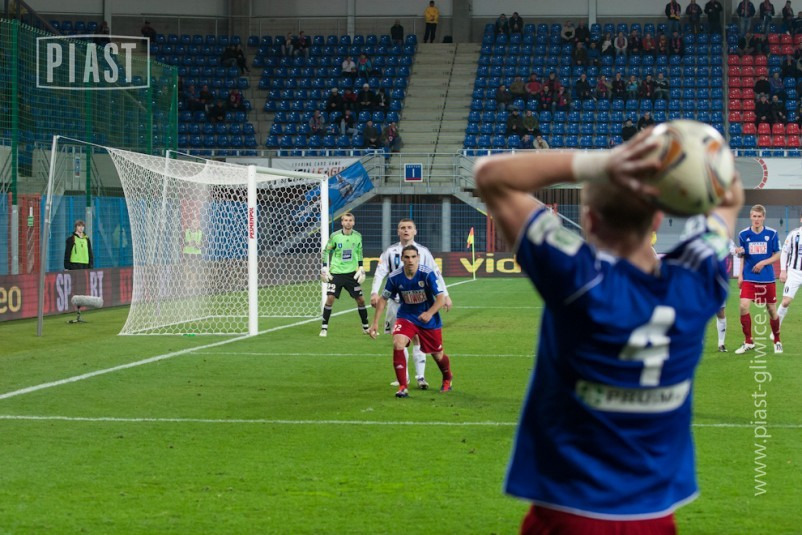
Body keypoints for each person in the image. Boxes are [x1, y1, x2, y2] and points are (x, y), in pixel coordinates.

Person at [473, 130, 744, 534]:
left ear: (589, 219)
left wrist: (602, 162)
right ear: (657, 219)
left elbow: (490, 175)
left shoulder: (578, 280)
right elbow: (729, 198)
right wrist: (693, 173)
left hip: (568, 512)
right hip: (654, 517)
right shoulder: (698, 281)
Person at [370, 219, 452, 389]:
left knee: (426, 345)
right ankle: (403, 380)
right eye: (402, 228)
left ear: (415, 231)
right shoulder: (390, 252)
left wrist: (445, 295)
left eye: (409, 228)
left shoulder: (423, 252)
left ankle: (421, 377)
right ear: (398, 231)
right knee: (398, 341)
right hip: (398, 304)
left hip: (423, 307)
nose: (406, 230)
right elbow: (380, 273)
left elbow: (436, 273)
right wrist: (374, 292)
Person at [734, 204, 782, 354]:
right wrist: (740, 275)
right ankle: (748, 341)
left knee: (771, 310)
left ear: (764, 217)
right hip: (749, 277)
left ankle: (777, 340)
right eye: (754, 216)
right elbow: (742, 255)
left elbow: (778, 254)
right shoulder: (743, 234)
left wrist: (763, 262)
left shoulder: (772, 234)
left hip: (767, 278)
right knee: (743, 306)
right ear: (750, 217)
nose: (756, 219)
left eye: (759, 216)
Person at [320, 212, 369, 337]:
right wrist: (325, 266)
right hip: (336, 273)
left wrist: (361, 267)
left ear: (354, 222)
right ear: (342, 222)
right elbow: (326, 251)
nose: (348, 222)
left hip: (351, 274)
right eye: (345, 220)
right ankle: (324, 328)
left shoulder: (358, 236)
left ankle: (366, 327)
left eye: (350, 220)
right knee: (330, 298)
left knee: (361, 300)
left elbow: (359, 251)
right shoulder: (335, 236)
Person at [778, 213, 802, 327]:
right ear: (801, 219)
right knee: (785, 301)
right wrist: (783, 271)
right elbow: (784, 252)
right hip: (794, 272)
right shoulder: (794, 234)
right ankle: (775, 329)